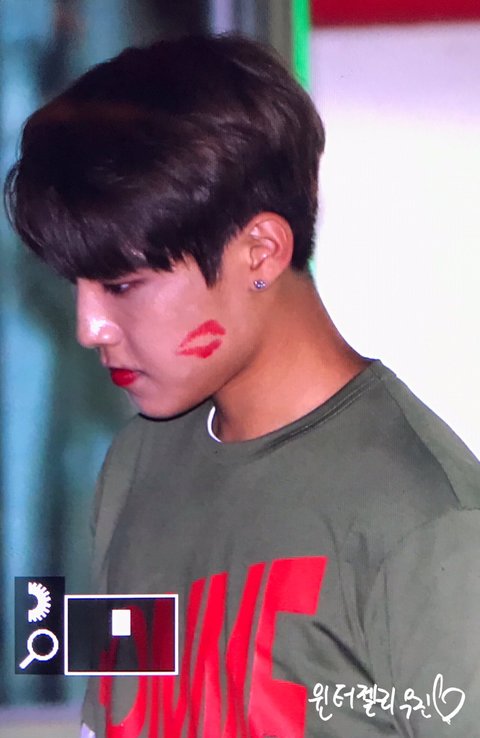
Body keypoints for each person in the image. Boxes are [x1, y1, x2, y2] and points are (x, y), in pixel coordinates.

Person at [5, 33, 480, 738]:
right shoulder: (137, 463)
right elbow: (127, 712)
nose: (89, 327)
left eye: (122, 285)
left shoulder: (427, 521)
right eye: (77, 285)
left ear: (260, 253)